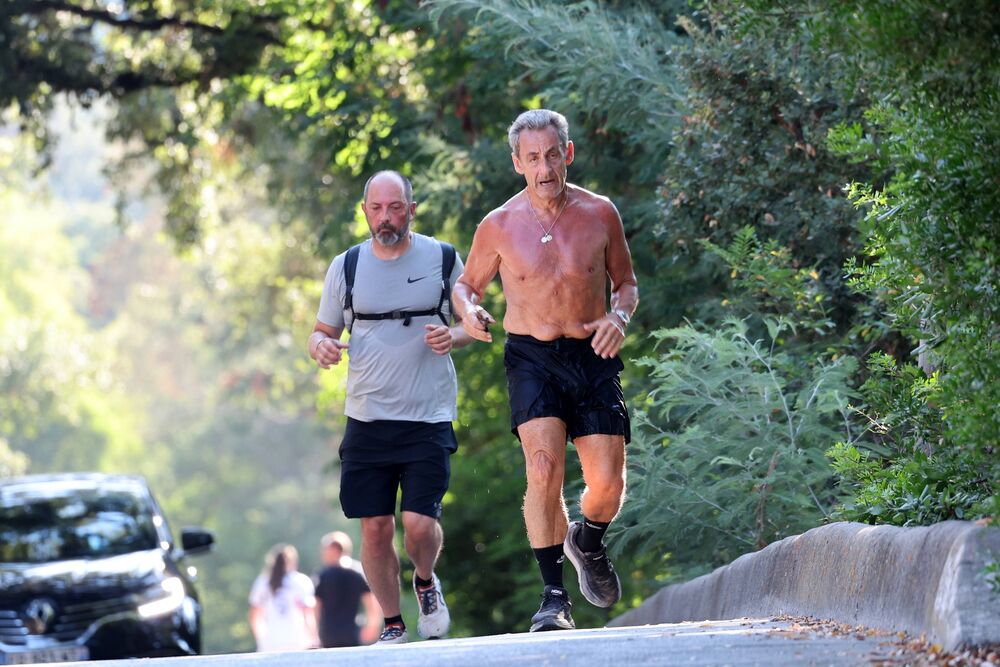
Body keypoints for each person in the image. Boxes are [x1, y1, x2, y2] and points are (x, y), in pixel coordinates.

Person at [453, 109, 638, 632]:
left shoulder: (600, 214)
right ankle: (554, 598)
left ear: (568, 154)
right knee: (542, 470)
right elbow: (466, 286)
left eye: (552, 155)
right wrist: (469, 311)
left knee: (607, 484)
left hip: (592, 354)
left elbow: (626, 284)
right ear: (518, 163)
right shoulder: (498, 225)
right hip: (531, 356)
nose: (545, 167)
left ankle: (588, 541)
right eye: (533, 158)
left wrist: (619, 317)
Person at [308, 170, 474, 644]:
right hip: (367, 417)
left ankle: (425, 582)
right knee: (376, 528)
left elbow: (474, 324)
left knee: (419, 526)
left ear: (411, 209)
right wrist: (319, 346)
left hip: (428, 415)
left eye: (395, 207)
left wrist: (454, 335)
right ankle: (393, 623)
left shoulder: (443, 258)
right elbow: (322, 332)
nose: (386, 218)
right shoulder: (347, 267)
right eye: (377, 208)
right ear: (365, 211)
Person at [314, 531, 381, 647]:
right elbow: (370, 603)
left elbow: (316, 607)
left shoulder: (323, 575)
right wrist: (372, 626)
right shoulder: (358, 573)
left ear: (334, 550)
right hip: (353, 632)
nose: (323, 555)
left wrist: (314, 630)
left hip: (328, 633)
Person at [248, 544, 319, 651]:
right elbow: (308, 614)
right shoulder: (301, 581)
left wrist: (261, 638)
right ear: (293, 561)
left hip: (270, 641)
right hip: (297, 640)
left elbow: (254, 615)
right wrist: (314, 636)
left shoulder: (262, 581)